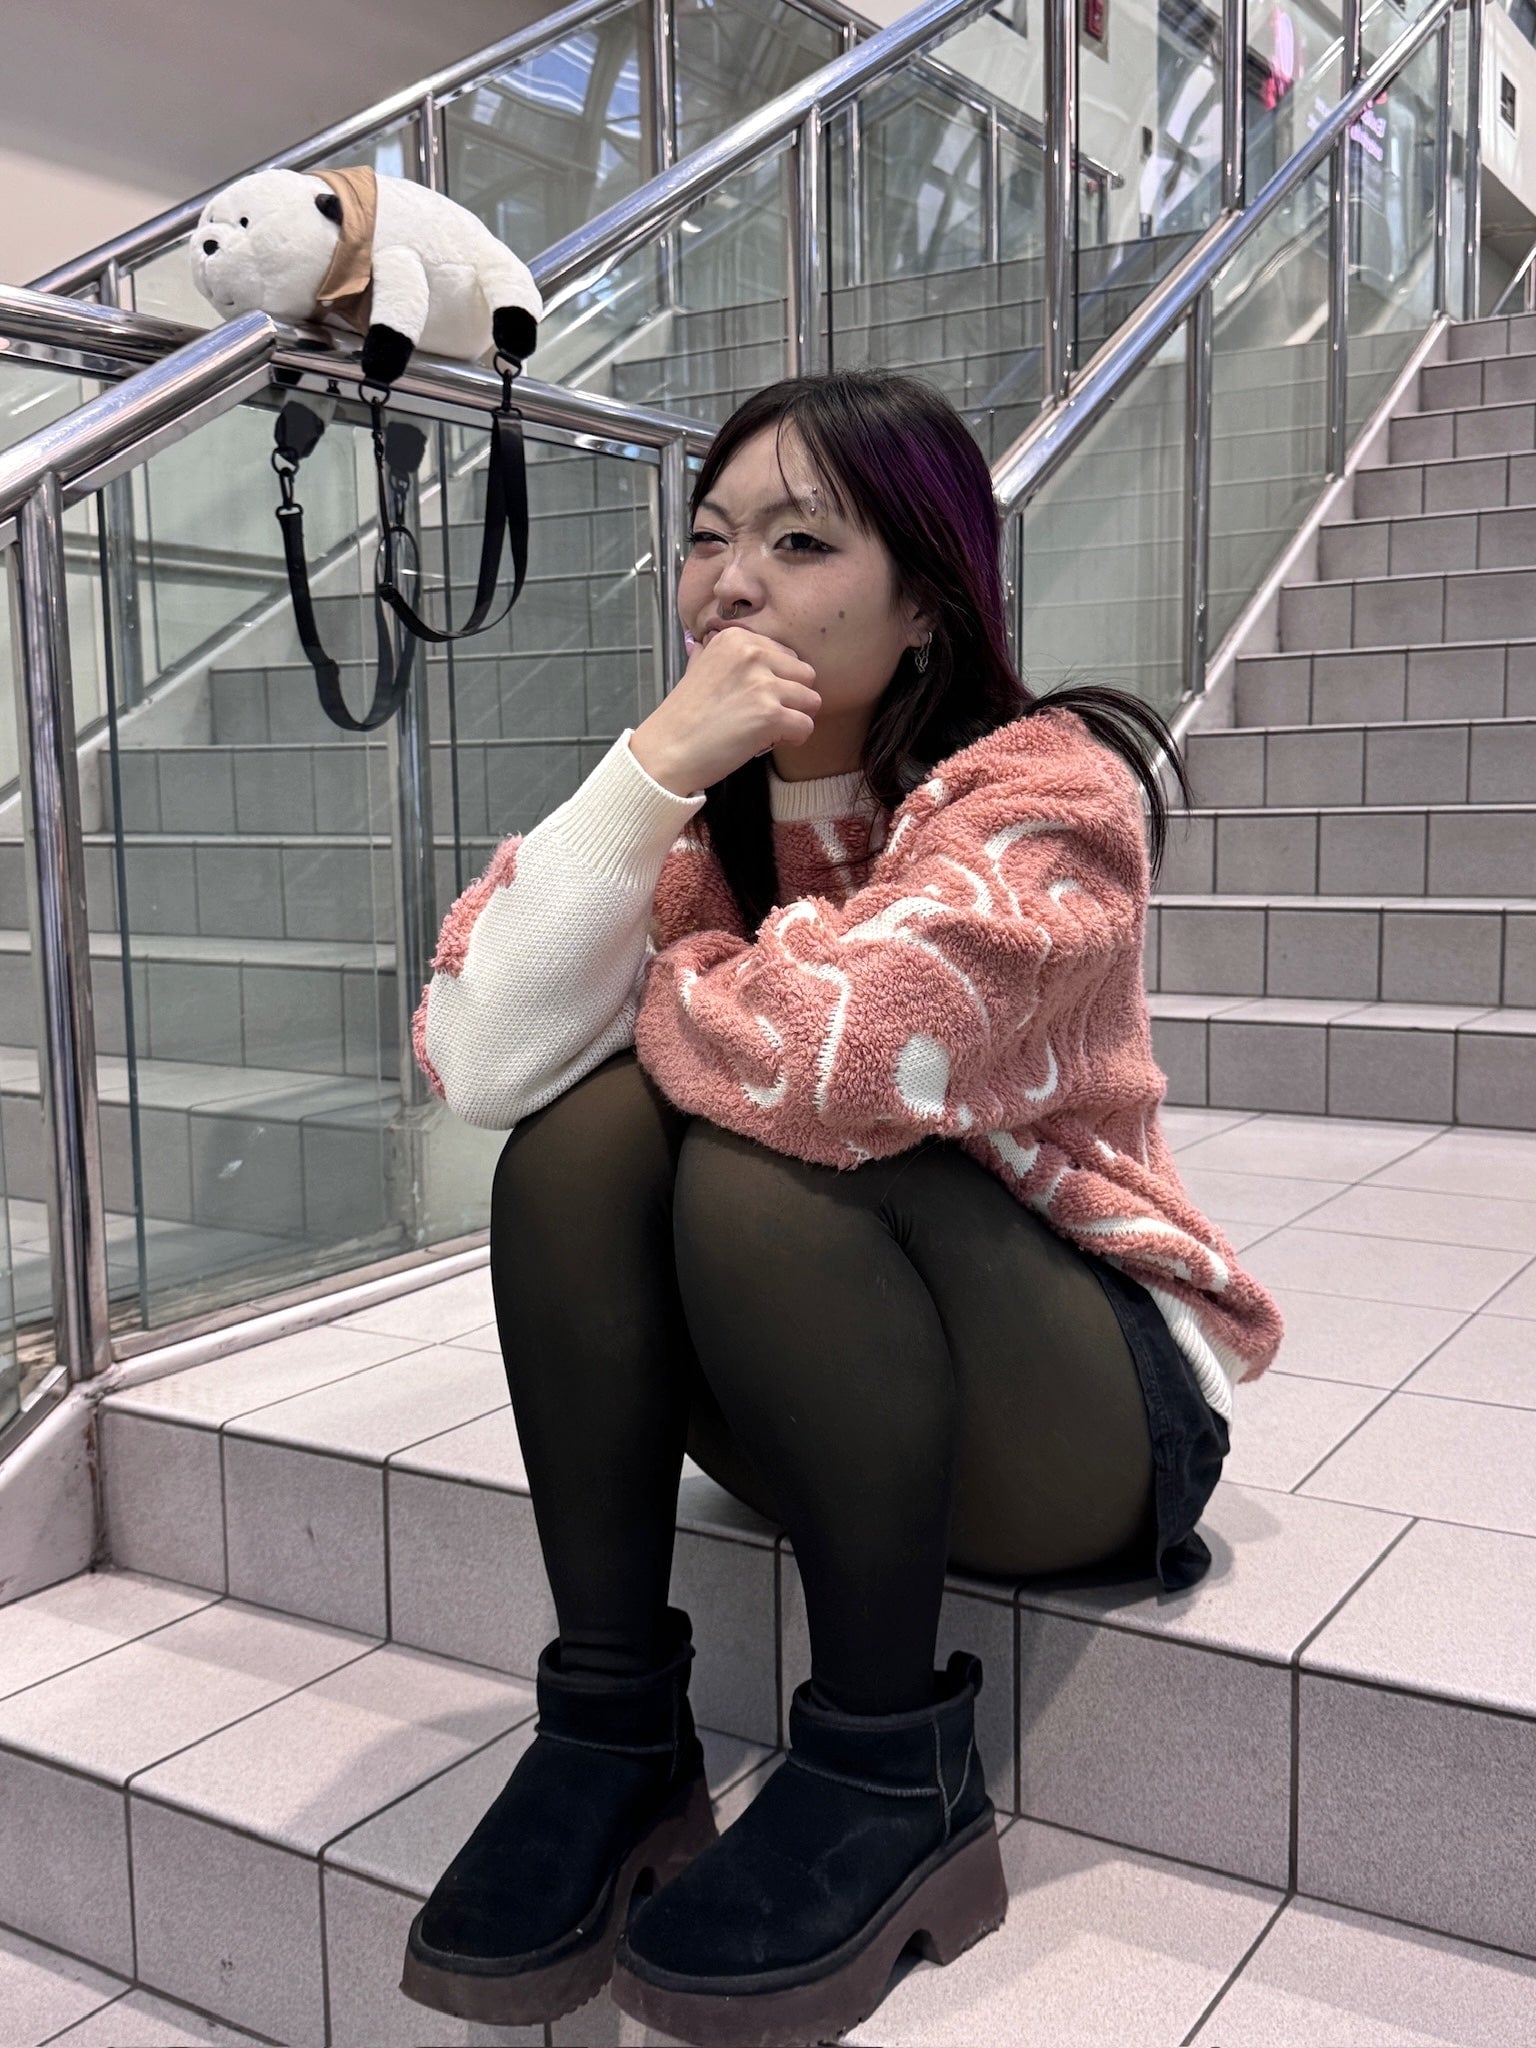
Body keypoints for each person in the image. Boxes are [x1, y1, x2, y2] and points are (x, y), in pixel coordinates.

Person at [400, 368, 1285, 2048]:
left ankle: (894, 1769)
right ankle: (612, 1732)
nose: (731, 584)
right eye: (708, 539)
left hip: (1085, 1427)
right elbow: (483, 1058)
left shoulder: (1050, 796)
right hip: (823, 1414)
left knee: (754, 1153)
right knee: (574, 1140)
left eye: (801, 542)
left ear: (927, 603)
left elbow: (841, 1059)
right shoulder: (688, 815)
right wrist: (651, 772)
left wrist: (654, 985)